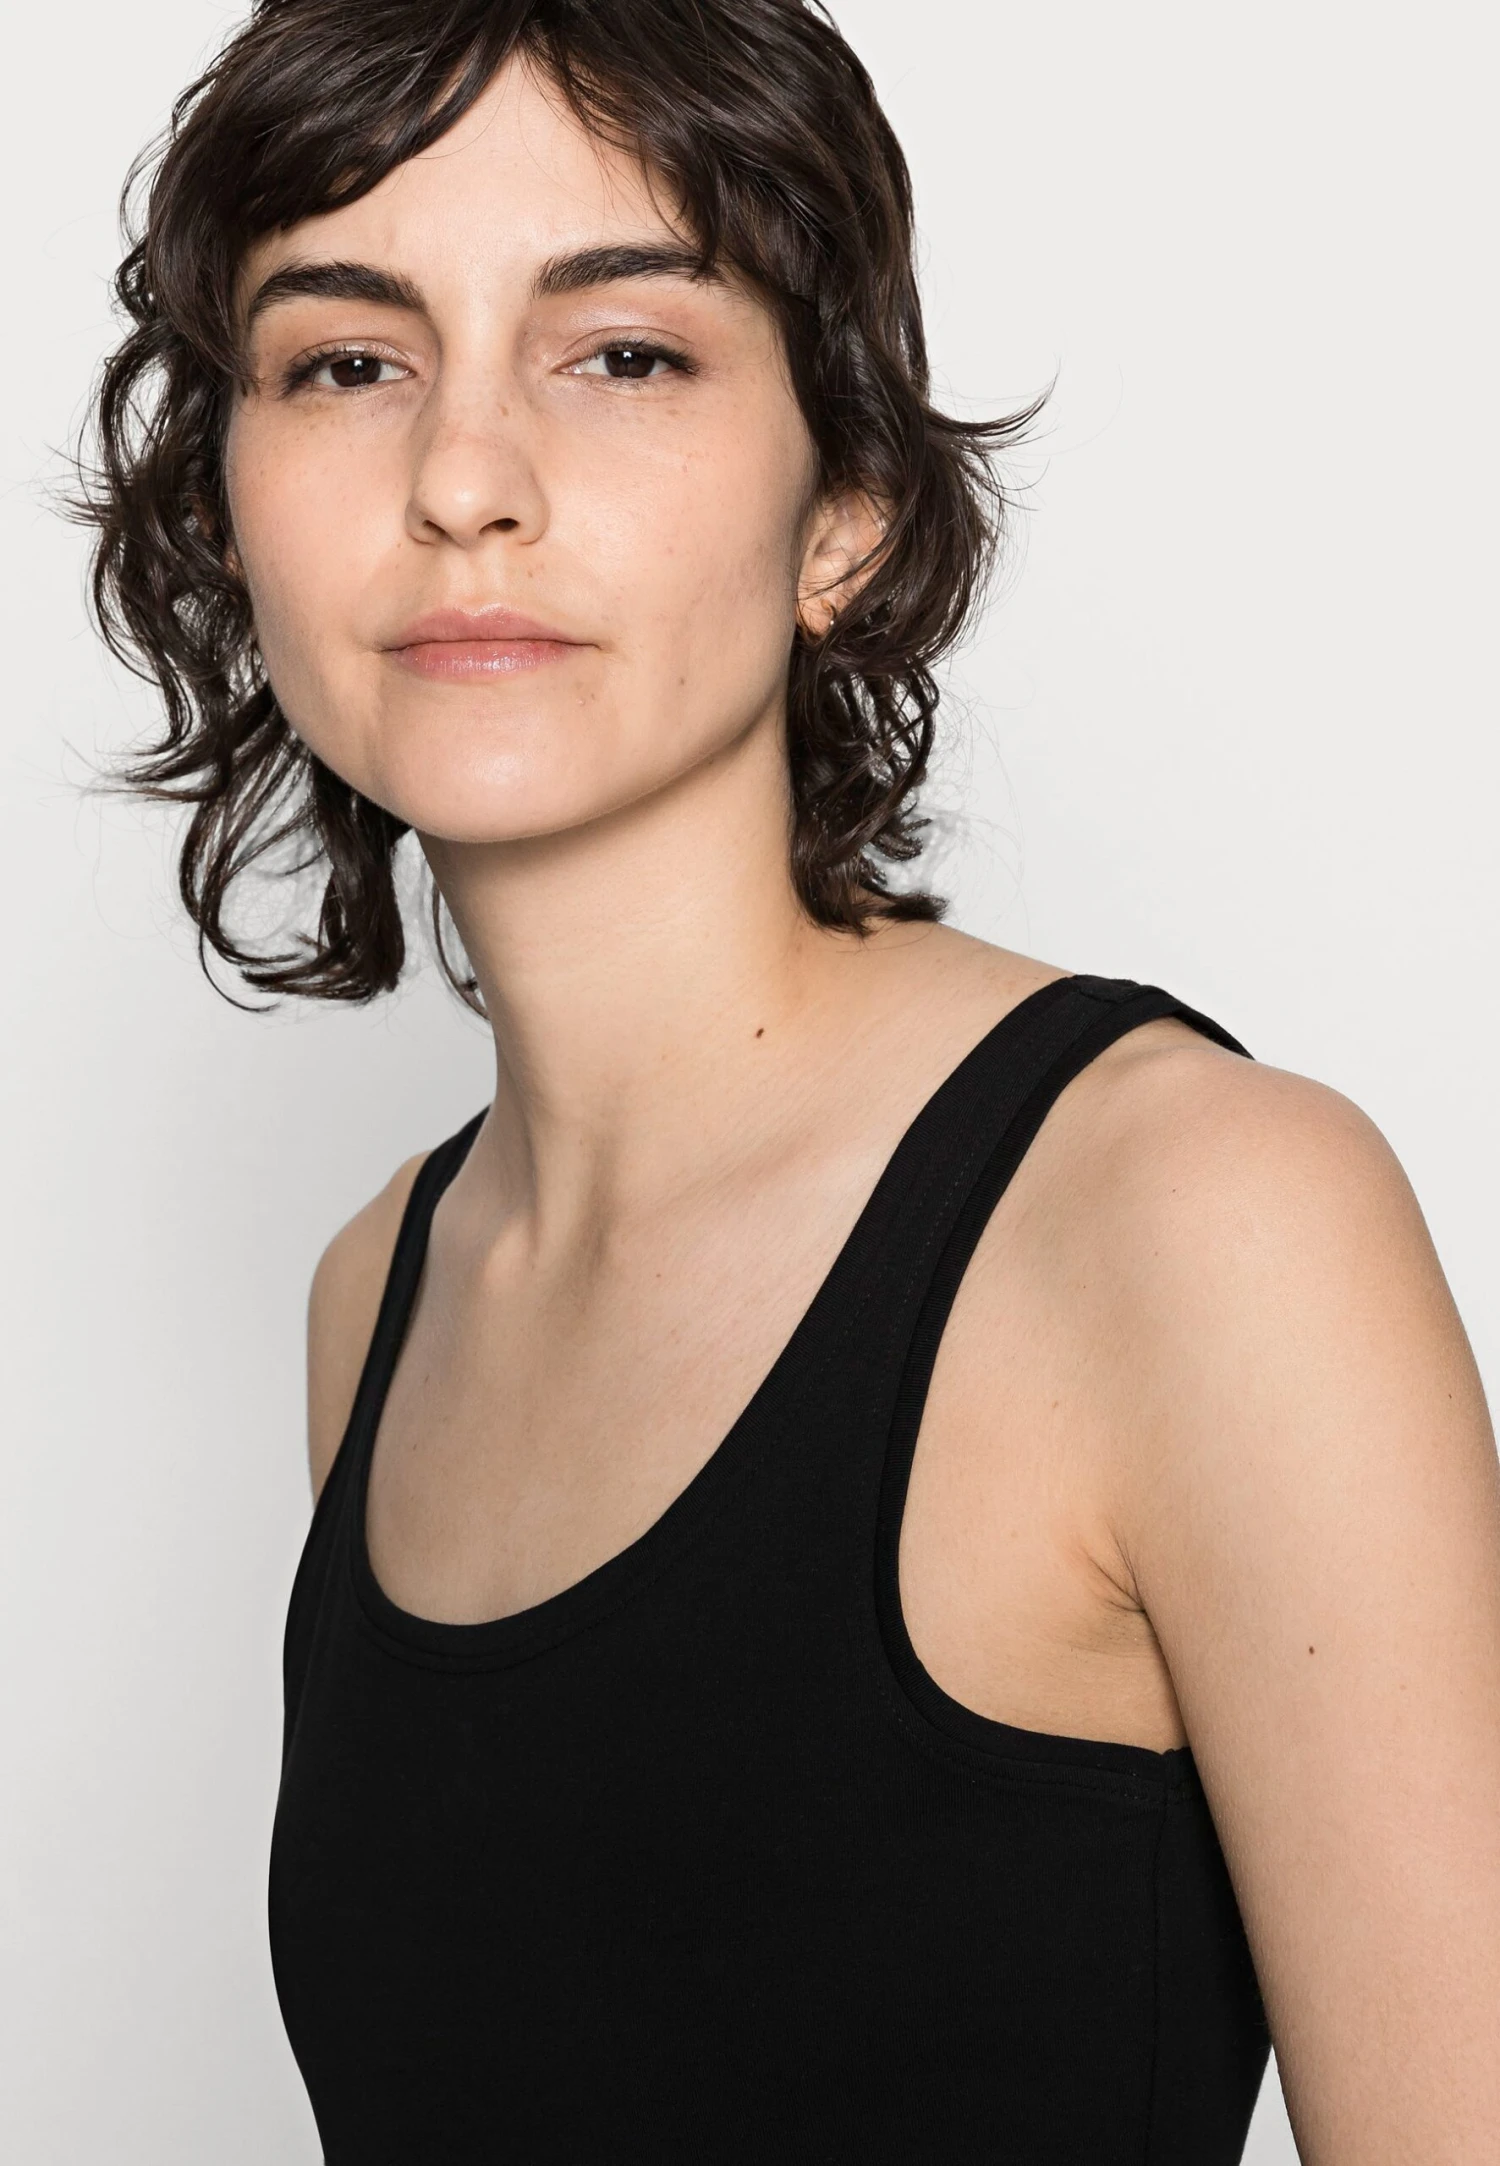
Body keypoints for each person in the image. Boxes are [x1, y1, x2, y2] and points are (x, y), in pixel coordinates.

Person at [80, 1, 1500, 2159]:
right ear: (230, 506)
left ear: (847, 508)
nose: (463, 479)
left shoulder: (1199, 1221)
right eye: (348, 361)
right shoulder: (378, 1298)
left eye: (624, 352)